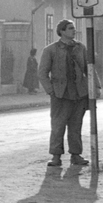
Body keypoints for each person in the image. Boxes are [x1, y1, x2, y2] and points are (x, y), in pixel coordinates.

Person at [39, 20, 89, 167]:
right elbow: (42, 73)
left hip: (79, 94)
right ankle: (55, 156)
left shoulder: (80, 48)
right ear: (61, 31)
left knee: (76, 126)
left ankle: (76, 155)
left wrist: (95, 88)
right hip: (60, 95)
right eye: (70, 28)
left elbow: (89, 69)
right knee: (58, 126)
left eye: (73, 28)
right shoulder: (50, 50)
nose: (73, 31)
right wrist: (51, 91)